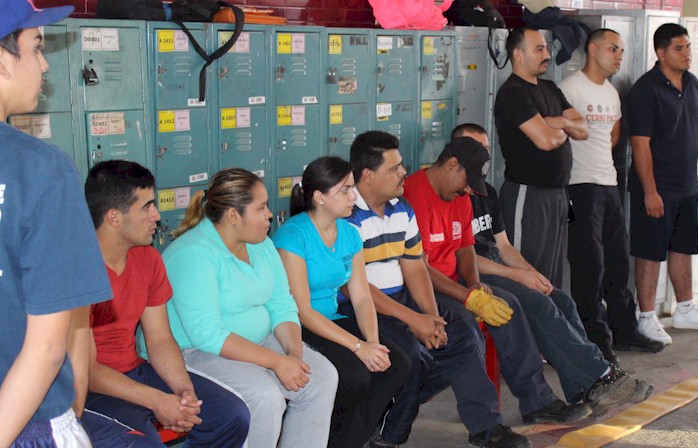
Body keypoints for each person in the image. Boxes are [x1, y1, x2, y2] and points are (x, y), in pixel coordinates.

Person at [404, 137, 650, 421]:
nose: (469, 191)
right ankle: (555, 395)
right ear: (451, 165)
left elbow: (465, 248)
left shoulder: (460, 196)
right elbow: (419, 270)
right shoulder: (416, 196)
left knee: (546, 301)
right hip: (428, 287)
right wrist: (470, 296)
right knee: (514, 307)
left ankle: (579, 388)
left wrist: (473, 284)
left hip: (458, 280)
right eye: (467, 182)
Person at [345, 131, 531, 448]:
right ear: (368, 176)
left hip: (400, 298)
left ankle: (484, 426)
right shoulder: (347, 217)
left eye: (401, 165)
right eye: (394, 168)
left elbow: (415, 267)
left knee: (463, 334)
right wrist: (414, 320)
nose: (403, 172)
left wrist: (431, 316)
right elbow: (357, 290)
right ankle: (387, 434)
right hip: (363, 307)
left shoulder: (401, 209)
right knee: (413, 355)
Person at [0, 1, 112, 445]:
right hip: (24, 424)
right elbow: (44, 348)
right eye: (37, 47)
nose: (44, 65)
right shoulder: (39, 167)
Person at [151, 168, 338, 448]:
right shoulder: (193, 254)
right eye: (260, 208)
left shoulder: (261, 244)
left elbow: (281, 303)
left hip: (259, 341)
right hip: (196, 352)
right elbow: (208, 335)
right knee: (264, 396)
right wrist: (276, 362)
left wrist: (294, 356)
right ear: (233, 216)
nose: (269, 215)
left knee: (321, 377)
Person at [80, 160, 250, 447]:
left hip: (135, 370)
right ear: (114, 218)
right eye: (146, 207)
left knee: (231, 415)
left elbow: (159, 338)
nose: (157, 216)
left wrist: (184, 392)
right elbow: (88, 370)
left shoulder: (147, 258)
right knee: (142, 442)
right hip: (90, 389)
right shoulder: (79, 270)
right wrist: (158, 400)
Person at [273, 156, 411, 448]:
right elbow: (302, 310)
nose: (354, 196)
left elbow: (361, 297)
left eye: (352, 188)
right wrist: (359, 347)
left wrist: (373, 344)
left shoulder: (349, 233)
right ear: (319, 197)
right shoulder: (293, 236)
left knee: (395, 364)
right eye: (345, 190)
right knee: (354, 376)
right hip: (297, 324)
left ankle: (346, 442)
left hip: (332, 318)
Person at [558, 29, 665, 361]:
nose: (619, 55)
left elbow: (614, 135)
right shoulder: (570, 88)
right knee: (589, 265)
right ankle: (594, 338)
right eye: (613, 49)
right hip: (580, 186)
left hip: (608, 184)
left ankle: (625, 331)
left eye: (621, 50)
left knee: (618, 262)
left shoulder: (611, 92)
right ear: (593, 49)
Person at [625, 23, 698, 345]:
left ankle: (685, 309)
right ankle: (646, 317)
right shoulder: (645, 90)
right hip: (656, 188)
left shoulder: (692, 83)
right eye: (679, 48)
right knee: (650, 252)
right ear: (661, 53)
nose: (687, 54)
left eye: (688, 47)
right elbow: (640, 145)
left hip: (686, 185)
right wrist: (650, 192)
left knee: (683, 248)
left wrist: (692, 183)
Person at [493, 27, 588, 290]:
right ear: (518, 55)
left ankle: (551, 318)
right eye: (539, 49)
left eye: (546, 48)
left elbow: (583, 129)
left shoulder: (550, 88)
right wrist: (564, 127)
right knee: (528, 275)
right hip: (529, 196)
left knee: (553, 277)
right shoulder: (513, 93)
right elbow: (545, 141)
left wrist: (558, 123)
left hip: (558, 196)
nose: (547, 55)